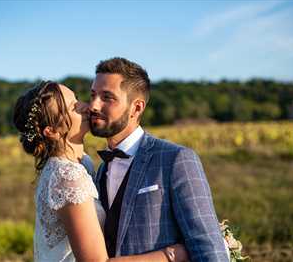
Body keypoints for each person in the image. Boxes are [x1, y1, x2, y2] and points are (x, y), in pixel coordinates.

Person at [13, 81, 188, 262]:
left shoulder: (83, 164)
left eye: (78, 100)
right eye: (73, 107)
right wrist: (175, 254)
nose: (86, 107)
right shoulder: (66, 176)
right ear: (52, 131)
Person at [89, 57, 229, 261]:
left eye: (107, 97)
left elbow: (206, 244)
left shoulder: (176, 159)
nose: (93, 105)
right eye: (93, 95)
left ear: (136, 108)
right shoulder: (101, 170)